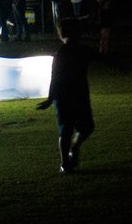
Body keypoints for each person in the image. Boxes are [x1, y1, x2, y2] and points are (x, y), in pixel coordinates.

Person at [37, 18, 97, 172]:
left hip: (74, 95)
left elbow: (54, 77)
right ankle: (65, 162)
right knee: (69, 129)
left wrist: (51, 98)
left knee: (83, 127)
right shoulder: (63, 53)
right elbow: (55, 76)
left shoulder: (79, 50)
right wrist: (51, 98)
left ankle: (73, 150)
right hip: (67, 96)